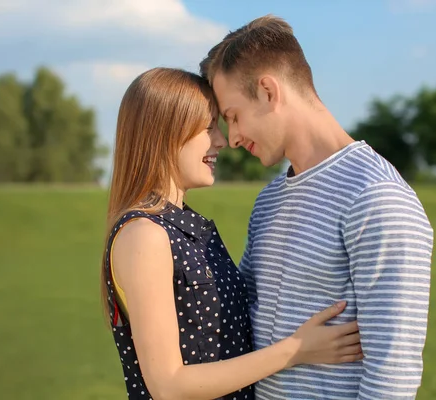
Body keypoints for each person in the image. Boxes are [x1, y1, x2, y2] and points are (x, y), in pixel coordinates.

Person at [200, 15, 434, 400]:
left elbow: (393, 375)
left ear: (268, 91)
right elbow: (242, 313)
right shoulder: (269, 199)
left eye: (233, 117)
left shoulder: (375, 196)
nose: (235, 138)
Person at [100, 67, 364, 400]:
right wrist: (296, 350)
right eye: (208, 127)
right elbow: (168, 385)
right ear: (164, 131)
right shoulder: (144, 235)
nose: (222, 140)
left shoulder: (188, 227)